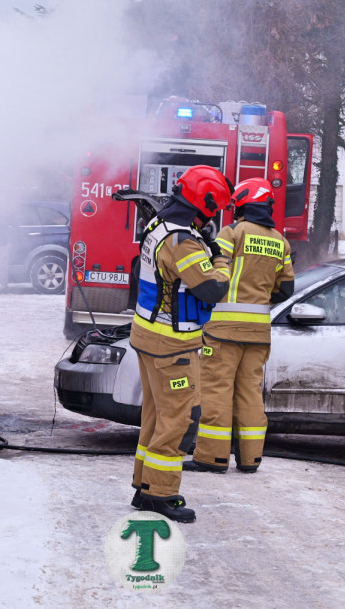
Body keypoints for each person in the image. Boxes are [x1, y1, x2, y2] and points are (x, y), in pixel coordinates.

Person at [129, 165, 233, 523]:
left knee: (156, 416)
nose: (212, 219)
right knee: (181, 419)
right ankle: (161, 494)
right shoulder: (182, 241)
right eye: (212, 211)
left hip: (148, 335)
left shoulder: (158, 226)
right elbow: (212, 288)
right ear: (204, 205)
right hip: (172, 346)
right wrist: (221, 259)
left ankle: (145, 486)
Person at [186, 178, 294, 475]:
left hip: (223, 330)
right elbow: (286, 289)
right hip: (259, 333)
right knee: (250, 393)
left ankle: (212, 457)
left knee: (217, 391)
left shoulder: (232, 233)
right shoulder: (280, 241)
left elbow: (214, 272)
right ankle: (250, 459)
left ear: (244, 203)